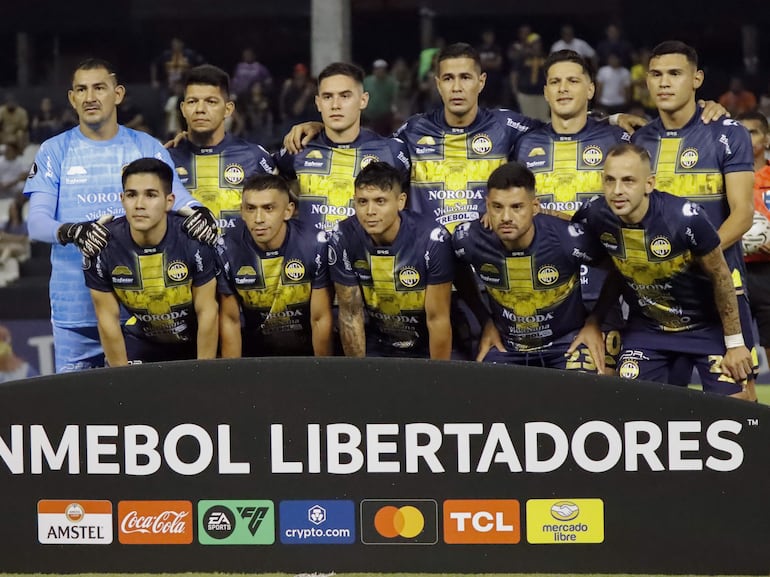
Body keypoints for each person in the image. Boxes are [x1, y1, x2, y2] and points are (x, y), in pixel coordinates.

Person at [23, 58, 217, 373]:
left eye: (99, 88)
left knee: (130, 408)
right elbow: (37, 223)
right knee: (76, 410)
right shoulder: (53, 150)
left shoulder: (145, 145)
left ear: (119, 94)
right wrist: (73, 231)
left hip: (138, 312)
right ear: (72, 98)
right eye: (81, 90)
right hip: (74, 308)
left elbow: (177, 197)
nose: (90, 97)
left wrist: (200, 212)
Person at [576, 144, 754, 399]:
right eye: (609, 180)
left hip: (705, 326)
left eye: (628, 181)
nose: (617, 191)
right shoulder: (596, 214)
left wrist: (735, 343)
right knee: (630, 402)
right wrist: (594, 320)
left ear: (649, 184)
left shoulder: (685, 218)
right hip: (648, 330)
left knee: (737, 406)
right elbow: (616, 270)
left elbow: (721, 276)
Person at [631, 41, 757, 395]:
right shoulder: (640, 140)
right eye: (656, 74)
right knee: (643, 411)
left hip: (720, 293)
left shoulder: (728, 134)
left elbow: (743, 213)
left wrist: (697, 255)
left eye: (675, 74)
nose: (664, 83)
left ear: (696, 79)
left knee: (738, 407)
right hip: (658, 302)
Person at [512, 49, 631, 370]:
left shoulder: (620, 141)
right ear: (546, 91)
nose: (563, 88)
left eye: (573, 81)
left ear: (591, 89)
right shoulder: (522, 143)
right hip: (539, 296)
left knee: (602, 398)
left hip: (601, 290)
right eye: (555, 82)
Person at [452, 162, 605, 372]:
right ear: (487, 206)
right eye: (497, 207)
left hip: (567, 343)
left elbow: (619, 269)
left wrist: (595, 322)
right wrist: (485, 320)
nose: (506, 217)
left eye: (517, 207)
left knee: (583, 395)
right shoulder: (468, 239)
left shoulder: (569, 240)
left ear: (534, 207)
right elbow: (457, 270)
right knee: (484, 399)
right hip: (507, 346)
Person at [84, 158, 219, 366]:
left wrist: (203, 374)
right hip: (143, 340)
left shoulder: (194, 239)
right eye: (131, 195)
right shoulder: (101, 246)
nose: (139, 205)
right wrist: (121, 382)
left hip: (195, 339)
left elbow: (208, 312)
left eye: (151, 195)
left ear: (169, 201)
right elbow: (107, 320)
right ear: (122, 199)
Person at [329, 162, 453, 359]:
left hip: (427, 344)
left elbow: (437, 319)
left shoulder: (432, 239)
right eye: (362, 202)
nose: (370, 211)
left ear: (401, 201)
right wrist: (358, 378)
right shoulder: (342, 236)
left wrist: (436, 380)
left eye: (380, 201)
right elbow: (351, 315)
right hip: (378, 343)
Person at [274, 61, 410, 233]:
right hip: (311, 259)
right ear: (318, 103)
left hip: (366, 258)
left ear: (363, 100)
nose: (335, 105)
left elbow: (415, 200)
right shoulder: (300, 147)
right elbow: (266, 181)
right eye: (327, 97)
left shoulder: (391, 151)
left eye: (345, 96)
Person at [216, 174, 333, 357]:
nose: (259, 218)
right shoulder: (226, 249)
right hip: (255, 356)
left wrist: (321, 374)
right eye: (250, 208)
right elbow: (231, 321)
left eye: (268, 208)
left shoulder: (315, 244)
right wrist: (234, 379)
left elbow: (320, 318)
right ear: (242, 212)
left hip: (306, 354)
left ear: (288, 211)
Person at [169, 64, 276, 230]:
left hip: (239, 256)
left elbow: (282, 205)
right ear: (183, 109)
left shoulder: (254, 157)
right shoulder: (165, 159)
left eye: (211, 102)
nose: (200, 109)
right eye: (192, 101)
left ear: (228, 109)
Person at [737, 111, 770, 362]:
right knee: (737, 355)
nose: (746, 139)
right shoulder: (725, 179)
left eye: (753, 132)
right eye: (742, 132)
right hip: (736, 273)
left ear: (766, 139)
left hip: (768, 274)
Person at [362, 59, 398, 136]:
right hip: (369, 116)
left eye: (382, 70)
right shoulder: (367, 81)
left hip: (384, 116)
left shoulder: (391, 82)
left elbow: (395, 97)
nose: (380, 72)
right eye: (378, 69)